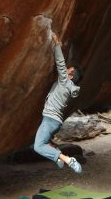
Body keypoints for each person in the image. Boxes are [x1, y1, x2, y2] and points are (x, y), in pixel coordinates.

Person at [34, 33, 83, 173]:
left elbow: (60, 64)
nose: (67, 69)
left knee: (38, 146)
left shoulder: (65, 82)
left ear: (70, 76)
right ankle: (57, 157)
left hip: (50, 121)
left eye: (69, 70)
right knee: (44, 142)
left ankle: (67, 159)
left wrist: (56, 44)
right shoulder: (69, 86)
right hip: (54, 122)